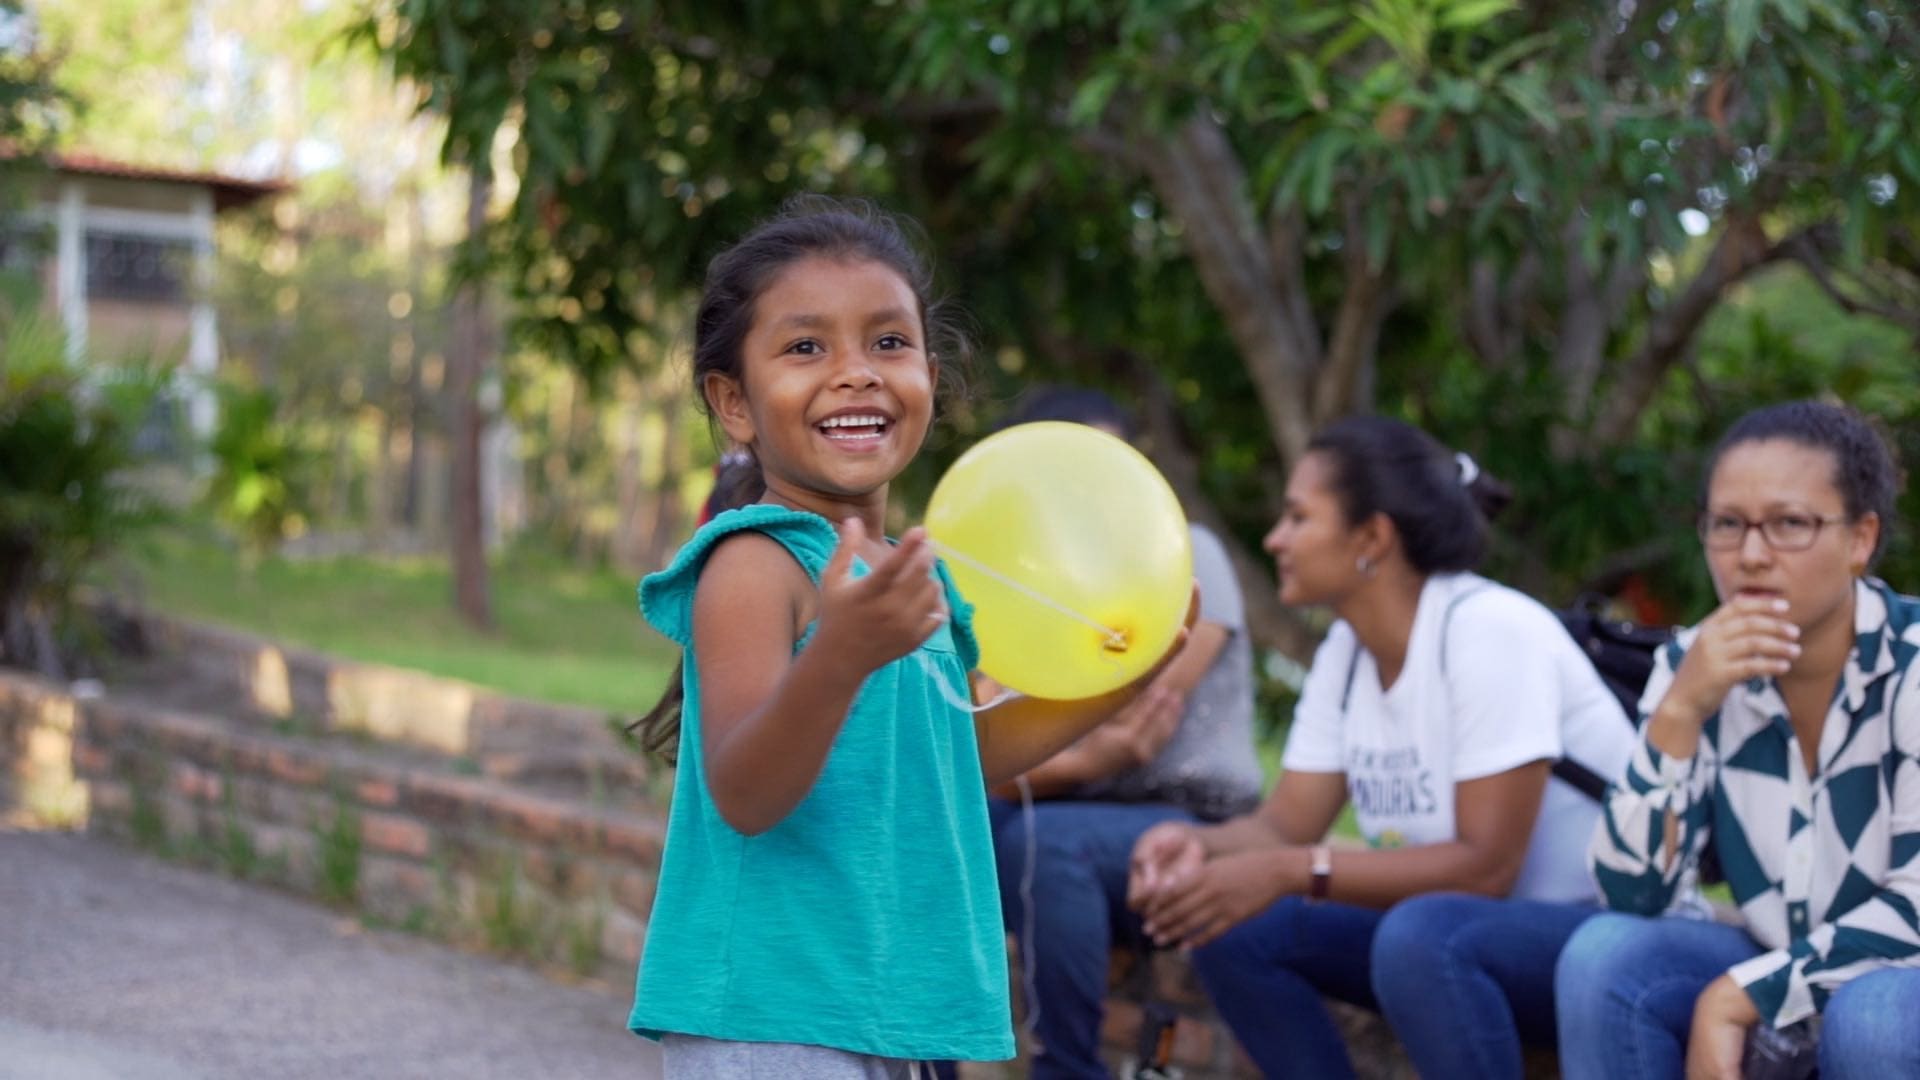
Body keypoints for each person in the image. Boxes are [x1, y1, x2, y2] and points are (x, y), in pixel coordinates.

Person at [626, 198, 1192, 1080]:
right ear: (733, 402)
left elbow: (958, 750)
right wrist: (843, 655)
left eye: (888, 343)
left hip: (901, 1009)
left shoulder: (917, 573)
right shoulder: (753, 563)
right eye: (806, 347)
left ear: (932, 373)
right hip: (773, 1012)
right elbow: (742, 789)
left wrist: (1122, 679)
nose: (856, 373)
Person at [1127, 415, 1637, 1079]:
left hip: (1593, 942)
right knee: (1232, 927)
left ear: (1372, 537)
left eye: (1298, 518)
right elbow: (1285, 824)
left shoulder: (1488, 631)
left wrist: (1288, 871)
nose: (1274, 538)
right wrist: (1191, 844)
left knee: (1419, 936)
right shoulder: (1346, 654)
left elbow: (1487, 869)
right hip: (1459, 940)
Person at [1556, 400, 1920, 1080]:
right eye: (1727, 525)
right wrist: (1681, 710)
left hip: (1900, 982)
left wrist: (1737, 997)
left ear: (1860, 539)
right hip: (1777, 952)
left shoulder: (1913, 663)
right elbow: (1632, 896)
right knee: (1602, 955)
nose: (1751, 556)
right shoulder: (1695, 665)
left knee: (1872, 1019)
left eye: (1789, 524)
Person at [971, 386, 1263, 1080]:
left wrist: (1059, 754)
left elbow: (1132, 725)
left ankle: (1070, 1070)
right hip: (1068, 805)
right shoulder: (1018, 581)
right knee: (943, 817)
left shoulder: (1187, 555)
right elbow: (987, 747)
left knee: (1038, 841)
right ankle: (925, 1059)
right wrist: (1071, 761)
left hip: (1185, 814)